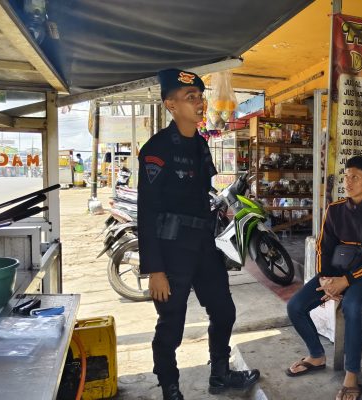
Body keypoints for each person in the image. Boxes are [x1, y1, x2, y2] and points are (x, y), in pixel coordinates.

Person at [137, 68, 259, 400]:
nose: (200, 104)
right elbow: (145, 211)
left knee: (224, 310)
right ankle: (170, 388)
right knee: (171, 325)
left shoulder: (201, 145)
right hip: (171, 250)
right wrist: (155, 270)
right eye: (191, 98)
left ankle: (220, 374)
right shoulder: (156, 149)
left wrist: (226, 212)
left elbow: (201, 193)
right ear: (170, 105)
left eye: (200, 97)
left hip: (204, 246)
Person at [285, 156, 362, 400]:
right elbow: (324, 246)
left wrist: (347, 281)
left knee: (352, 305)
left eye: (355, 177)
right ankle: (316, 354)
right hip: (334, 272)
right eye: (346, 176)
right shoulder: (334, 210)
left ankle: (352, 374)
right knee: (295, 306)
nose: (348, 181)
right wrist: (325, 279)